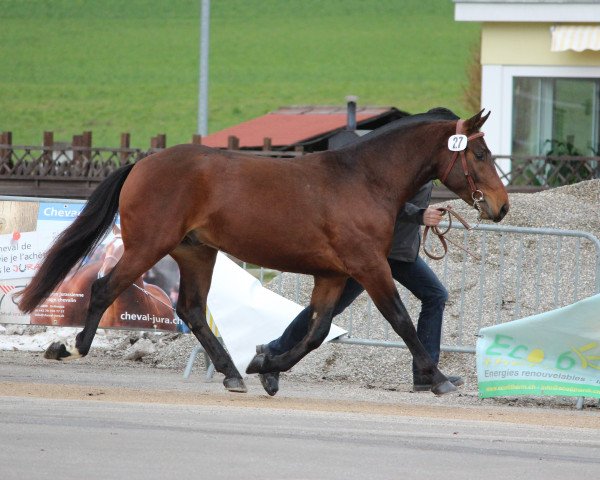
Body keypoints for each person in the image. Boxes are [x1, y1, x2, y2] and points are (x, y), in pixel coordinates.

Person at [255, 109, 465, 396]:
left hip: (399, 251)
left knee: (434, 295)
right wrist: (420, 215)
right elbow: (378, 204)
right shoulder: (398, 163)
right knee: (331, 307)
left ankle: (425, 372)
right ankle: (272, 352)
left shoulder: (425, 164)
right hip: (372, 250)